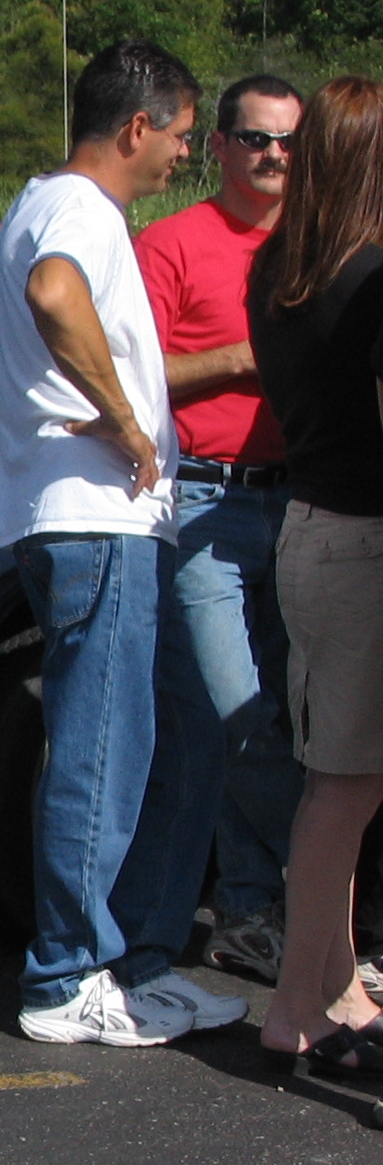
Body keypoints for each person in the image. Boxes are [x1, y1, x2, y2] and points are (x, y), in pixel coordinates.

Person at [0, 38, 247, 1047]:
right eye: (181, 134)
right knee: (102, 747)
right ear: (137, 127)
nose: (185, 153)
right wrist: (129, 423)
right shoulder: (80, 210)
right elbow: (56, 294)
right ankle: (66, 977)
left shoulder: (47, 203)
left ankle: (132, 962)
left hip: (107, 523)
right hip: (95, 519)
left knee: (167, 729)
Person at [133, 75, 306, 983]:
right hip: (204, 499)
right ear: (219, 147)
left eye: (289, 142)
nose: (274, 156)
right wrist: (240, 357)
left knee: (283, 716)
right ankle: (340, 878)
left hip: (304, 501)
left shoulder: (314, 246)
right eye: (255, 139)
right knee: (236, 714)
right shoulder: (169, 243)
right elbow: (131, 371)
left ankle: (247, 913)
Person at [245, 75, 383, 1080]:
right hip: (363, 542)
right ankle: (296, 1006)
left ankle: (336, 989)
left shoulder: (279, 266)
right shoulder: (366, 273)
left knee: (335, 777)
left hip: (308, 527)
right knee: (346, 787)